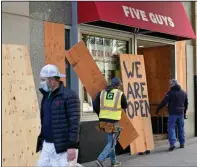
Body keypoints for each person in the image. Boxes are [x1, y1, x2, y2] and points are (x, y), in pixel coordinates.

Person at [36, 64, 81, 167]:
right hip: (47, 145)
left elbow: (74, 122)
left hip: (63, 148)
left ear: (52, 80)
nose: (41, 83)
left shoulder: (69, 95)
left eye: (43, 80)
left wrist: (72, 146)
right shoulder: (46, 96)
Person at [93, 77, 128, 167]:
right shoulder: (120, 94)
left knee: (111, 141)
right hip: (113, 122)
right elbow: (125, 106)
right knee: (112, 143)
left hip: (103, 122)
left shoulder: (102, 93)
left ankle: (113, 161)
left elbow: (95, 105)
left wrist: (100, 115)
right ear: (118, 85)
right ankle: (101, 159)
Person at [156, 79, 188, 151]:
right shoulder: (184, 93)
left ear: (173, 85)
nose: (169, 85)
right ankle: (182, 143)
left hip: (173, 113)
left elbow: (164, 102)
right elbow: (186, 104)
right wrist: (184, 112)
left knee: (171, 128)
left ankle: (172, 144)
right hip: (181, 113)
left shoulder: (170, 93)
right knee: (181, 128)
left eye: (170, 84)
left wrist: (158, 109)